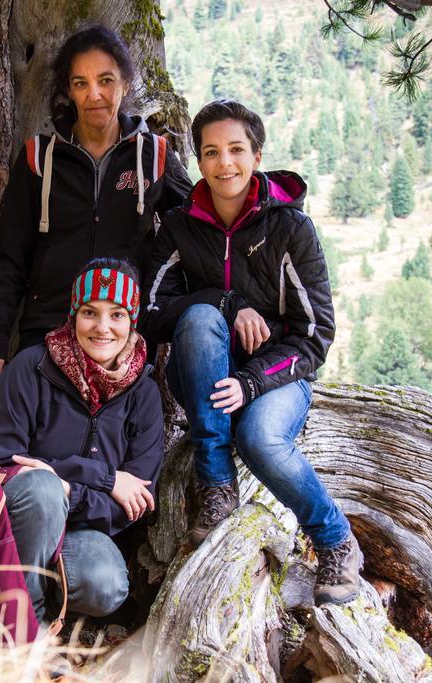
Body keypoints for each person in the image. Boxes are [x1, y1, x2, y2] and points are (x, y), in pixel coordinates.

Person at [141, 99, 362, 606]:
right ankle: (215, 483)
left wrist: (254, 382)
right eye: (212, 152)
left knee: (261, 437)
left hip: (278, 374)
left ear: (257, 156)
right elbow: (150, 314)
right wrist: (224, 302)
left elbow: (315, 336)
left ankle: (334, 539)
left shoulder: (290, 229)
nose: (225, 164)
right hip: (201, 370)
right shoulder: (179, 227)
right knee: (197, 318)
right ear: (198, 160)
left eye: (237, 150)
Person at [0, 25, 191, 380]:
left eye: (106, 80)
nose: (95, 94)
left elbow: (197, 231)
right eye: (81, 83)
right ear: (68, 90)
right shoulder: (38, 158)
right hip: (48, 323)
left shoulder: (154, 156)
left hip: (123, 330)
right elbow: (11, 255)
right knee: (39, 426)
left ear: (125, 83)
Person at [0, 258, 164, 623]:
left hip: (80, 532)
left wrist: (69, 491)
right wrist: (104, 480)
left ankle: (25, 596)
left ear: (132, 320)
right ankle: (26, 629)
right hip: (11, 522)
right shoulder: (32, 367)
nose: (103, 327)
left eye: (117, 315)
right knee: (41, 489)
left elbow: (135, 502)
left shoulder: (144, 394)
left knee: (105, 584)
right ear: (73, 314)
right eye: (90, 312)